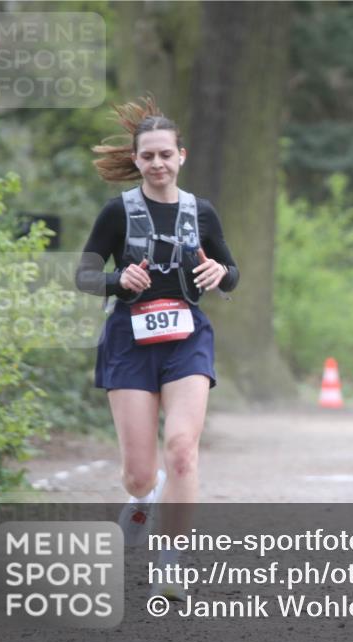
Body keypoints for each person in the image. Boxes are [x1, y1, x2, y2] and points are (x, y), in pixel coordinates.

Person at [76, 98, 239, 601]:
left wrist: (220, 274)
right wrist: (117, 280)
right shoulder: (117, 212)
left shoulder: (201, 212)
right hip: (130, 340)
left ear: (181, 156)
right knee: (139, 471)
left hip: (187, 337)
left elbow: (230, 273)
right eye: (148, 157)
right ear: (137, 160)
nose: (157, 164)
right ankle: (144, 495)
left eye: (165, 154)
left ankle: (171, 563)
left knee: (183, 450)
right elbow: (83, 275)